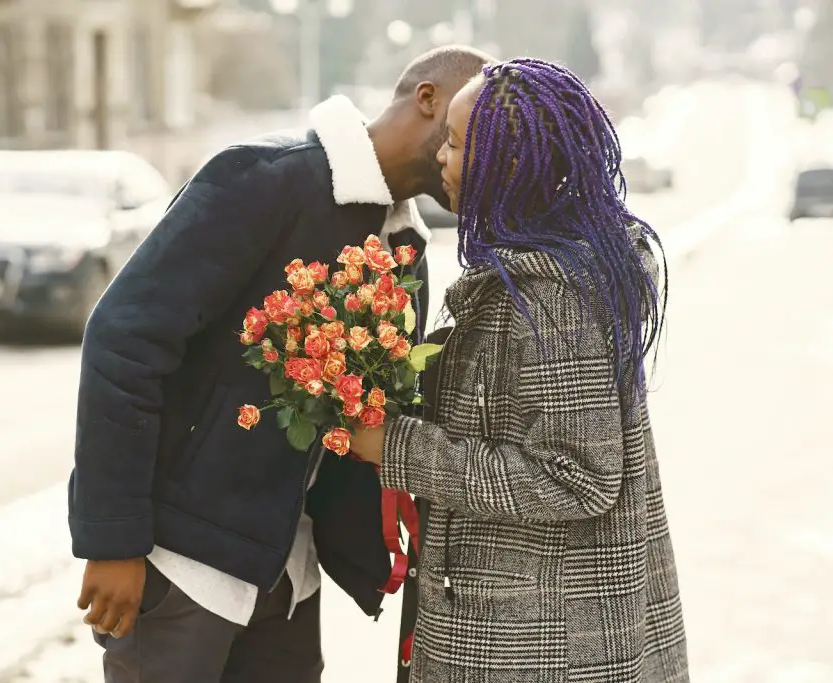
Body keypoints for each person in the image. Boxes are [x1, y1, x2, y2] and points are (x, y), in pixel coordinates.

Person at [68, 46, 490, 683]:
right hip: (184, 565)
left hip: (287, 574)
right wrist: (112, 538)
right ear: (429, 99)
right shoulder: (264, 178)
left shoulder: (407, 252)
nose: (488, 165)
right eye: (475, 136)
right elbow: (123, 341)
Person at [350, 59, 689, 682]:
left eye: (455, 143)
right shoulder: (540, 275)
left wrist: (397, 446)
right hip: (521, 630)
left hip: (541, 646)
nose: (441, 158)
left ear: (509, 165)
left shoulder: (554, 297)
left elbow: (578, 477)